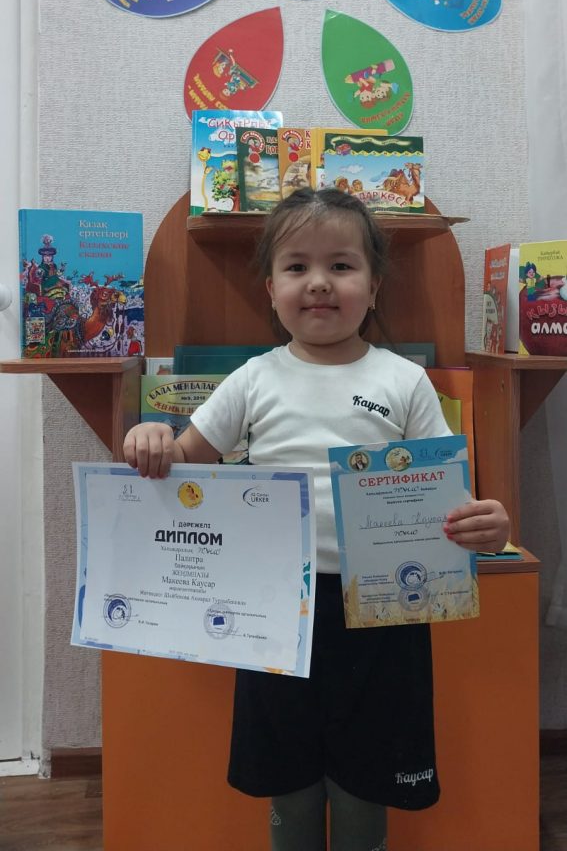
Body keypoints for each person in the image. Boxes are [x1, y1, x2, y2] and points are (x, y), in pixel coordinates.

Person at [123, 187, 509, 851]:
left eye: (342, 265)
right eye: (297, 266)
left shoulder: (404, 381)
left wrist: (487, 528)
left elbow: (447, 503)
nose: (319, 282)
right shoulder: (253, 379)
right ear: (271, 289)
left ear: (374, 286)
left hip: (386, 613)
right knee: (288, 780)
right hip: (276, 608)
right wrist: (152, 438)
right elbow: (184, 460)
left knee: (367, 782)